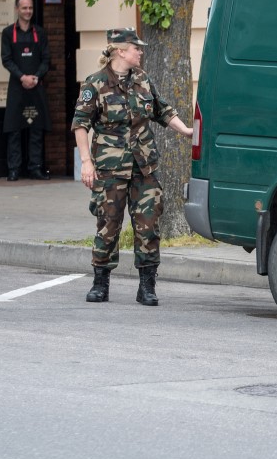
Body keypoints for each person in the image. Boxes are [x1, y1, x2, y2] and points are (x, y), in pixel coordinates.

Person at [71, 27, 193, 306]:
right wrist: (86, 163)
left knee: (148, 226)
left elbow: (163, 111)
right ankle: (100, 284)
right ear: (120, 51)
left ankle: (147, 287)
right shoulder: (95, 84)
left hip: (144, 168)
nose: (140, 51)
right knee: (108, 225)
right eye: (136, 47)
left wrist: (186, 130)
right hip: (110, 169)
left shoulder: (143, 80)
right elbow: (80, 125)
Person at [1, 0, 51, 181]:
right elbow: (6, 59)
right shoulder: (8, 33)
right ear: (17, 9)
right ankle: (14, 169)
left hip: (36, 86)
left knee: (36, 128)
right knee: (14, 128)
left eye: (30, 8)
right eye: (24, 8)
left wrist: (36, 77)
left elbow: (46, 59)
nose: (28, 11)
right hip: (17, 86)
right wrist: (22, 77)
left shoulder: (40, 33)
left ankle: (35, 168)